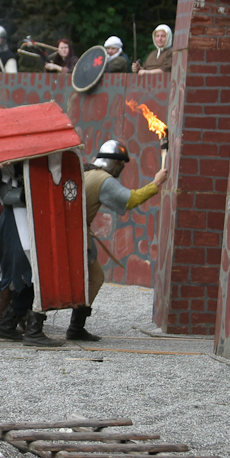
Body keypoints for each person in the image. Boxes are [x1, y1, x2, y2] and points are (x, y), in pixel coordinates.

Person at [70, 140, 168, 341]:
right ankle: (63, 326)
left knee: (93, 277)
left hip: (73, 233)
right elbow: (130, 199)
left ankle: (74, 328)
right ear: (115, 163)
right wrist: (156, 183)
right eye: (121, 164)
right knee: (88, 278)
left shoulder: (88, 172)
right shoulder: (103, 179)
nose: (121, 168)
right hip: (75, 236)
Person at [0, 164, 62, 348]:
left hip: (33, 218)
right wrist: (37, 190)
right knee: (37, 276)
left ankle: (8, 324)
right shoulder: (6, 169)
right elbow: (6, 195)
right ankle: (31, 330)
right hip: (17, 220)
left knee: (35, 277)